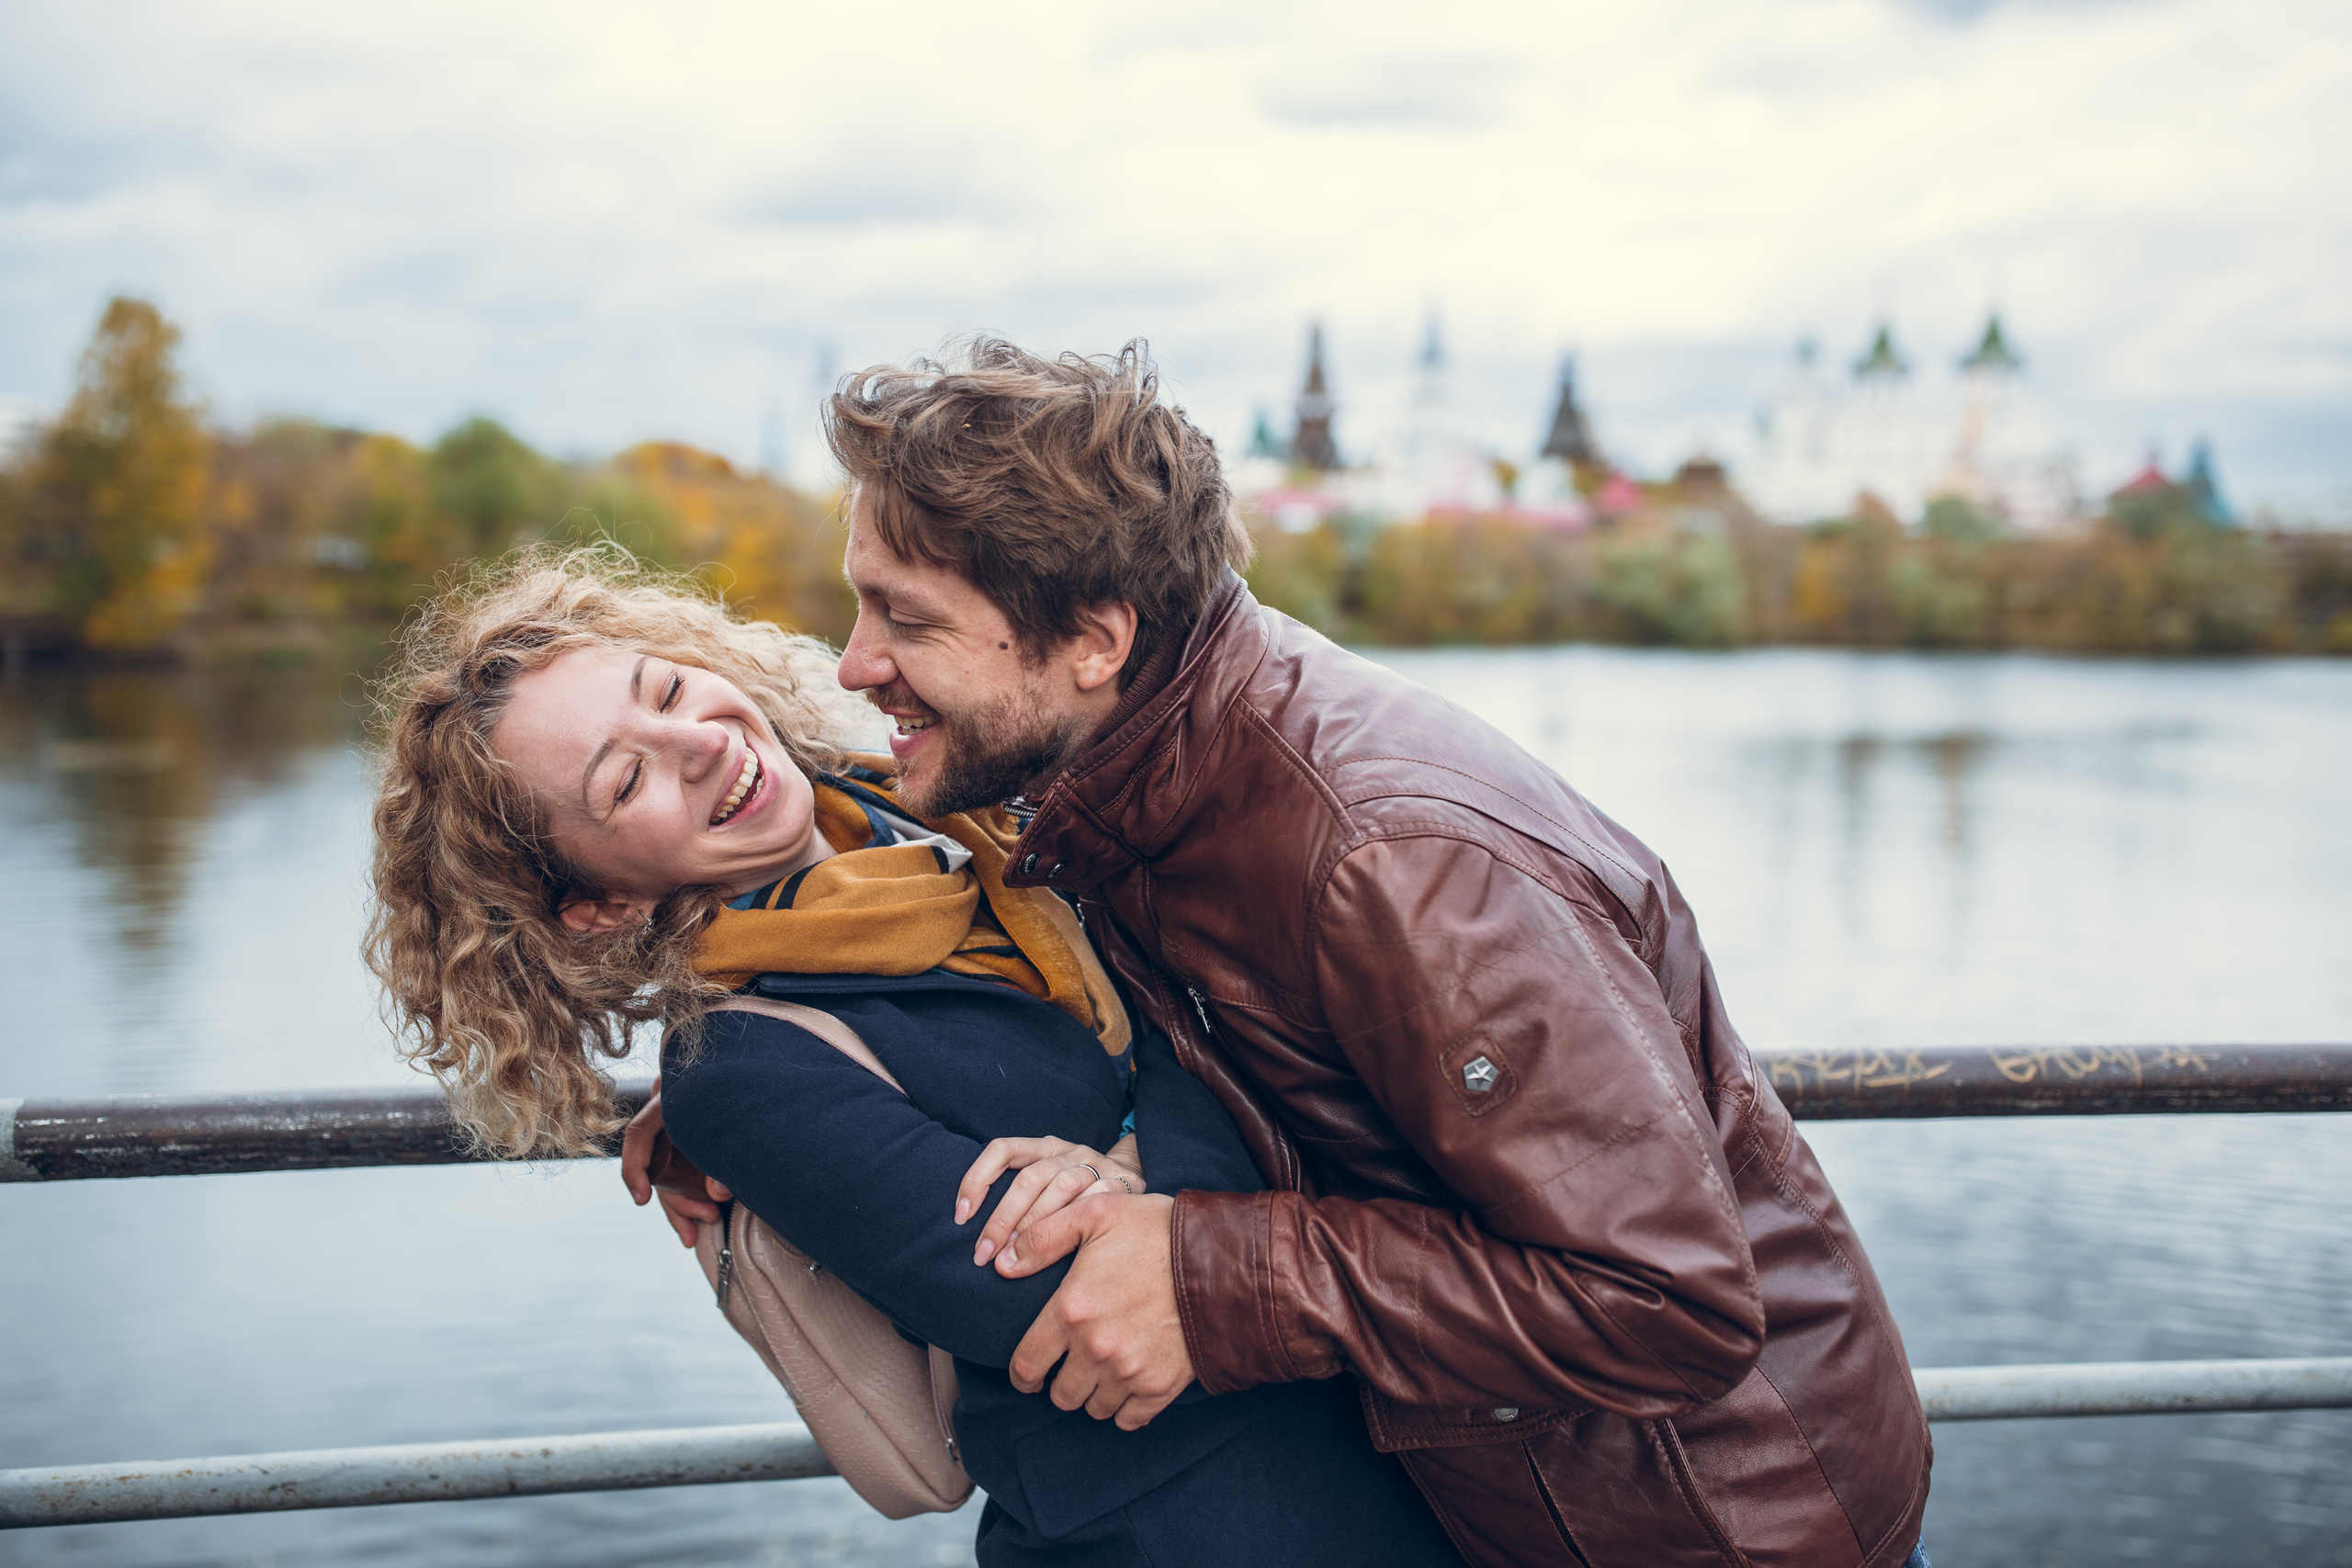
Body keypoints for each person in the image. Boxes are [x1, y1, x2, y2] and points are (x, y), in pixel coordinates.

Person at [641, 338, 1934, 1568]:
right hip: (1533, 1501)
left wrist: (1209, 1278)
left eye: (905, 619)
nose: (855, 662)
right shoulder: (1141, 759)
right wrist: (744, 1090)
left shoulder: (1394, 857)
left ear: (1093, 638)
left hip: (1701, 1528)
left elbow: (1672, 1298)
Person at [362, 549, 1466, 1566]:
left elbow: (1229, 997)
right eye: (625, 782)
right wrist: (1194, 1142)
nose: (700, 742)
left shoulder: (981, 808)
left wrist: (1131, 1164)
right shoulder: (738, 1070)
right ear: (597, 904)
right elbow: (1077, 1304)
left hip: (1421, 1460)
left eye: (666, 690)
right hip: (1193, 1522)